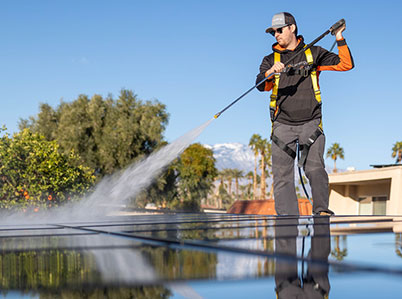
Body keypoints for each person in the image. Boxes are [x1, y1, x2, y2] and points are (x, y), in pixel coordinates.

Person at [256, 12, 354, 216]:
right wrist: (269, 73)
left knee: (315, 170)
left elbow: (346, 65)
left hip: (311, 124)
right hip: (282, 126)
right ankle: (286, 220)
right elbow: (260, 85)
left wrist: (339, 37)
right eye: (273, 32)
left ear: (292, 28)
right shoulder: (269, 59)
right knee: (282, 176)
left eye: (279, 30)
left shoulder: (314, 53)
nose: (276, 34)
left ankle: (321, 212)